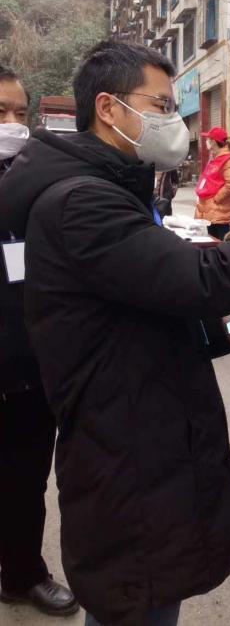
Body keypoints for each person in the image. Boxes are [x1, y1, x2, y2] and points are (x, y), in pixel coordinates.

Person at [0, 40, 230, 626]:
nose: (173, 121)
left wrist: (214, 334)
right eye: (161, 105)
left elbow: (140, 301)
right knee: (138, 599)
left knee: (149, 593)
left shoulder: (106, 187)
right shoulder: (81, 201)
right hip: (128, 455)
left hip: (144, 434)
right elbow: (206, 280)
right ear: (108, 108)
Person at [0, 66, 78, 618]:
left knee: (26, 480)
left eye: (19, 113)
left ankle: (22, 574)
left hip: (29, 366)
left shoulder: (42, 177)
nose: (12, 123)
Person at [194, 127, 230, 240]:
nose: (206, 142)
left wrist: (216, 199)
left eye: (208, 139)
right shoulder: (215, 158)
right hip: (210, 209)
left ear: (213, 142)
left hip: (219, 210)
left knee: (222, 243)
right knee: (211, 241)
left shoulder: (226, 160)